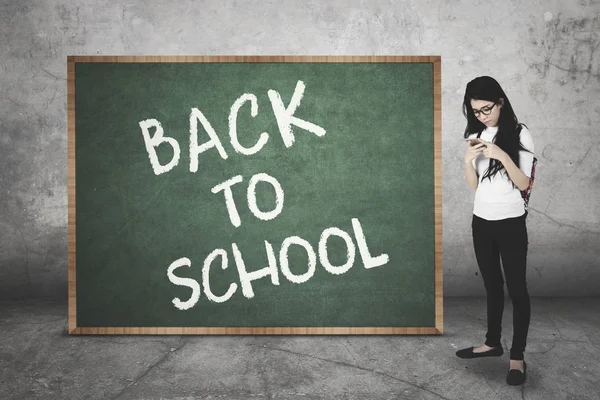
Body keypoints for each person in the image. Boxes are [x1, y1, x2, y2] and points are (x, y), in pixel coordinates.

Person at [455, 76, 535, 386]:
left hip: (511, 222)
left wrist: (501, 153)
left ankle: (517, 357)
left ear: (500, 102)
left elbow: (524, 182)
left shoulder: (519, 132)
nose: (482, 115)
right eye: (475, 111)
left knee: (517, 290)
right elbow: (475, 186)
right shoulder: (476, 132)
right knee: (491, 286)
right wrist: (467, 160)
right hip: (481, 221)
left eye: (486, 109)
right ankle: (492, 343)